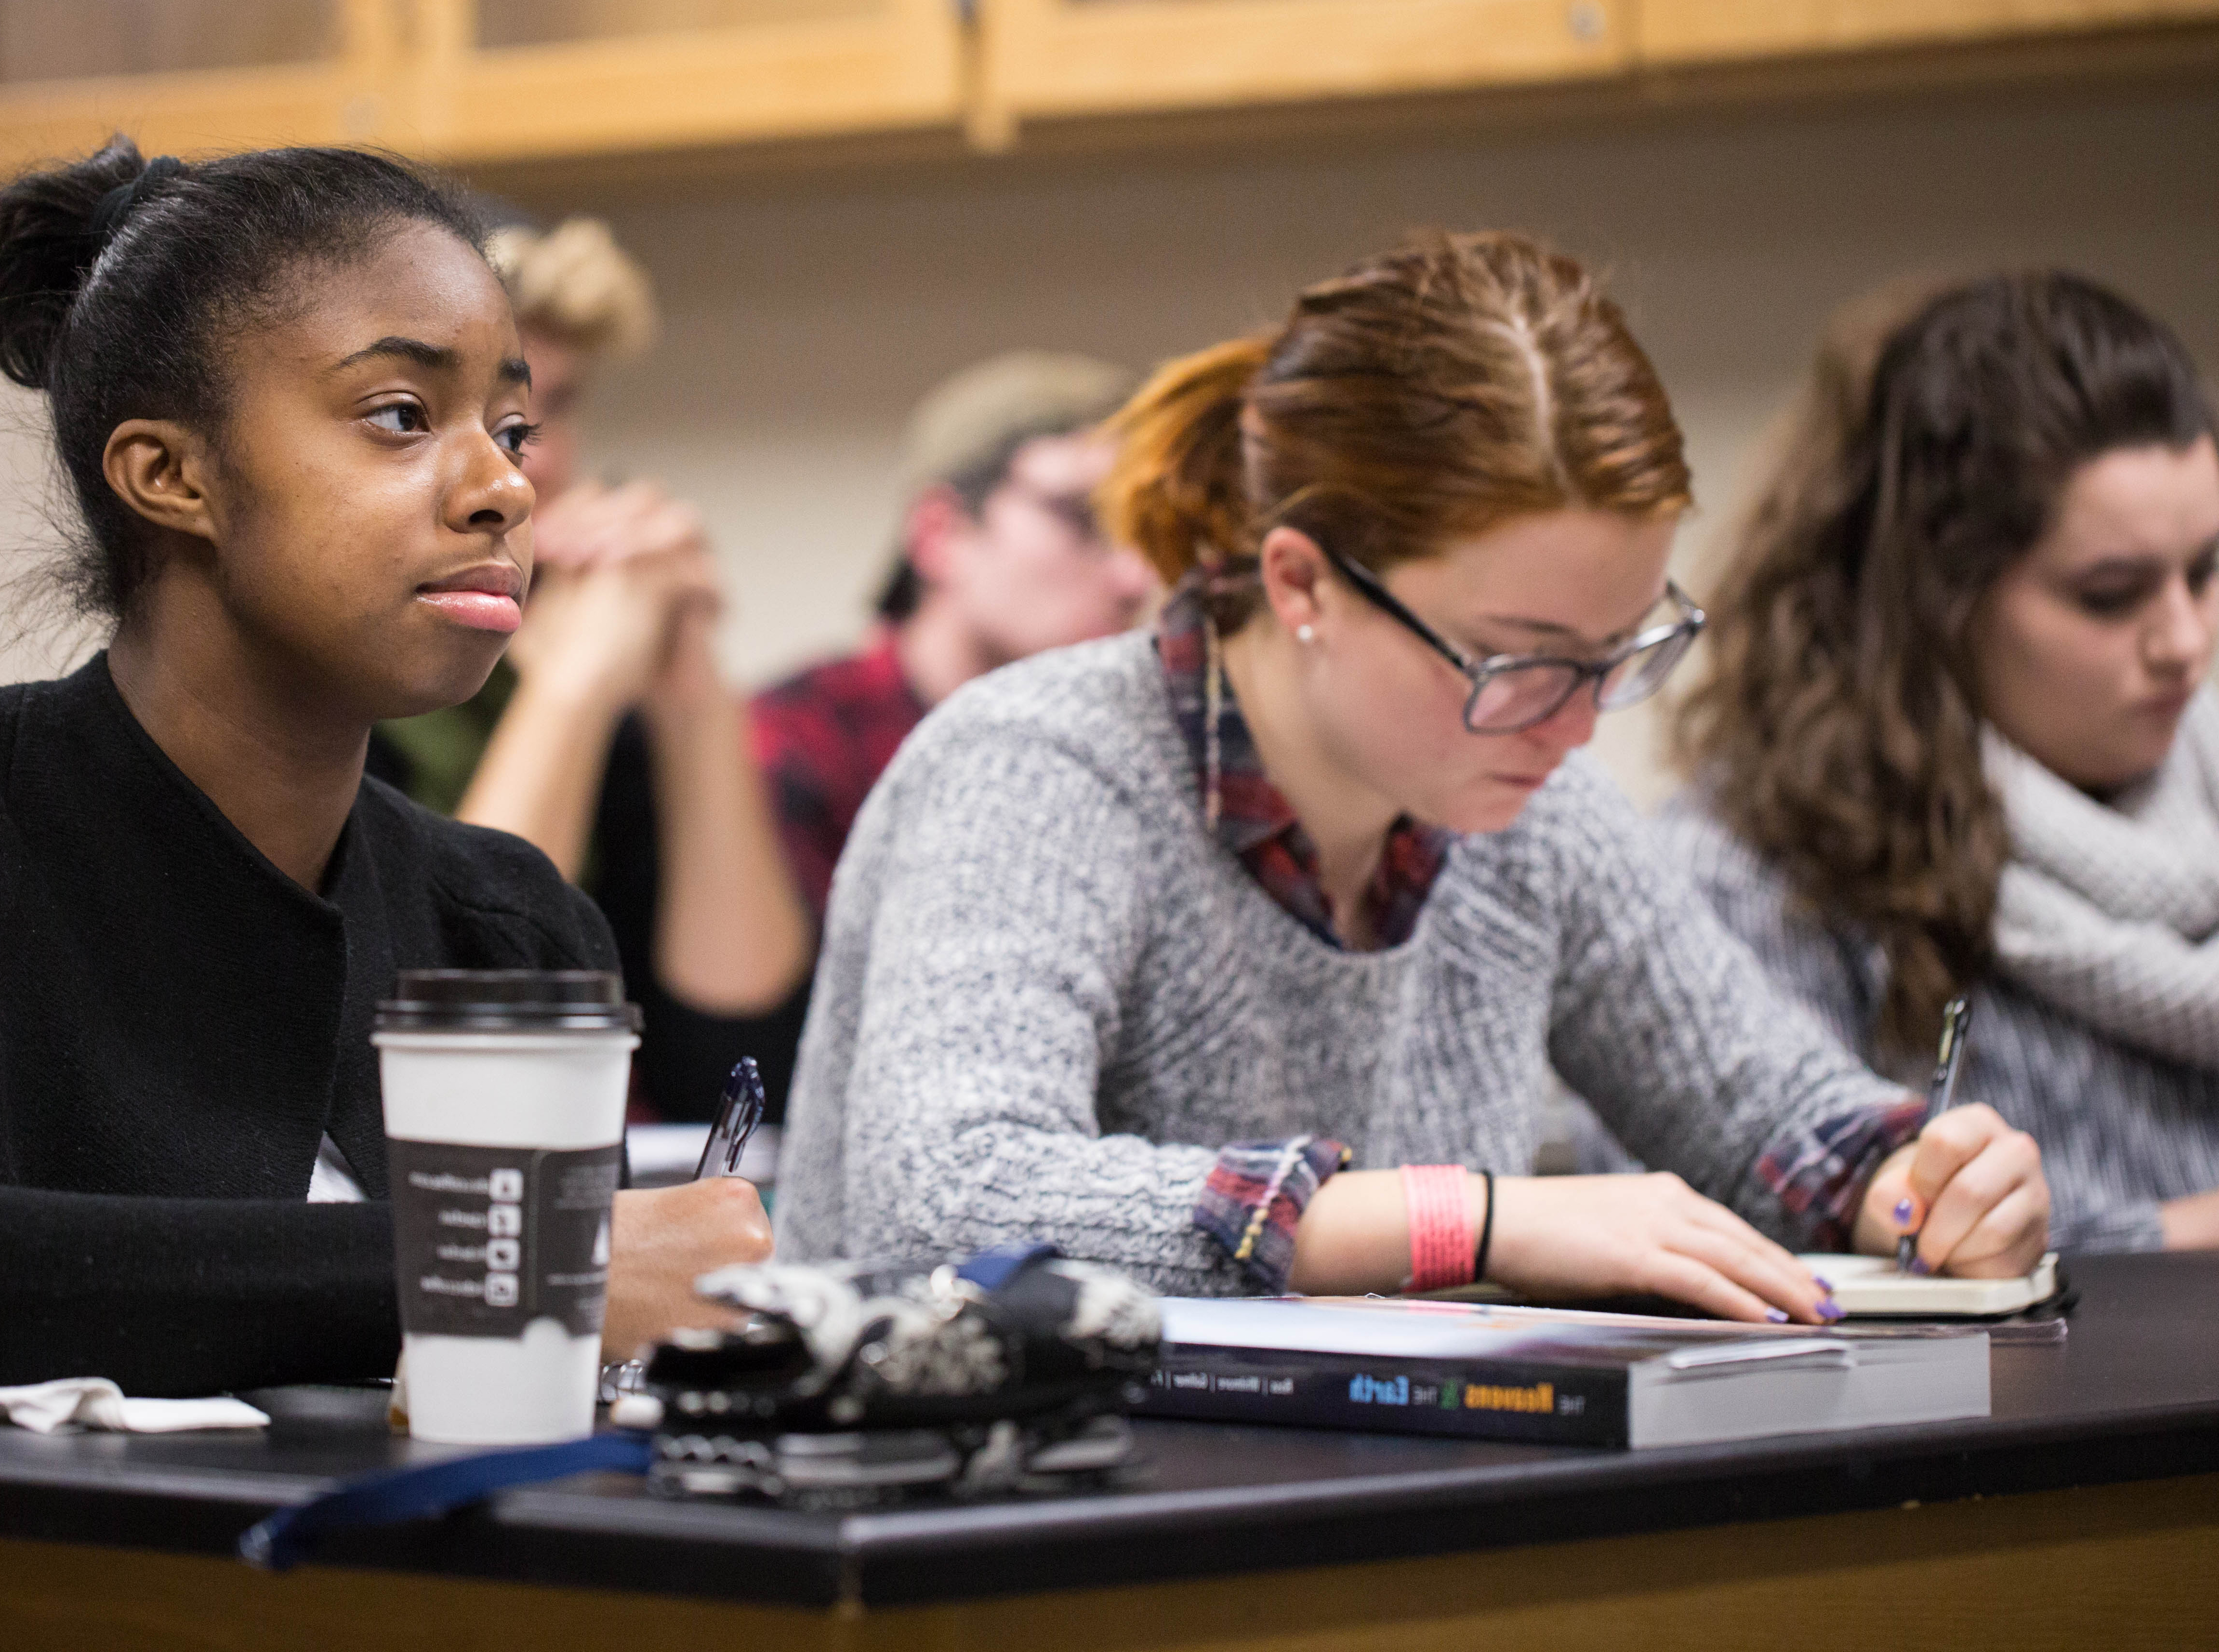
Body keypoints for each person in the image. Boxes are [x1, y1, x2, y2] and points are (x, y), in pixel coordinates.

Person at [772, 232, 2051, 1317]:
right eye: (1514, 660)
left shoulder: (1530, 815)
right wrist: (1465, 1220)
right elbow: (944, 1202)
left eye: (1619, 651)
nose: (1573, 726)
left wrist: (1919, 1191)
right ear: (1301, 583)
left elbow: (1780, 1125)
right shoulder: (1038, 768)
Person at [0, 139, 769, 1396]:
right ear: (170, 474)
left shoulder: (511, 924)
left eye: (512, 429)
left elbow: (546, 1403)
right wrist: (509, 1266)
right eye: (401, 417)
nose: (503, 487)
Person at [1664, 270, 2219, 1254]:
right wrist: (2166, 1235)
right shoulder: (1753, 872)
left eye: (2204, 571)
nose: (2182, 639)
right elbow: (1725, 1242)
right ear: (1940, 599)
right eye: (2108, 594)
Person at [370, 217, 809, 1123]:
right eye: (436, 415)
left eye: (541, 414)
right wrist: (566, 694)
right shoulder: (342, 675)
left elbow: (739, 1076)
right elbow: (445, 1053)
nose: (531, 469)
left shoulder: (606, 668)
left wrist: (693, 695)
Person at [742, 352, 1159, 1114]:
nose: (1134, 576)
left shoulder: (1153, 757)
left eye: (1145, 528)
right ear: (940, 533)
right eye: (1085, 519)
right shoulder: (794, 740)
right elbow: (771, 1059)